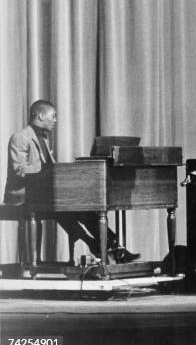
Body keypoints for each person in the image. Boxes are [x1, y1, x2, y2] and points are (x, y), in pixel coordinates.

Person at [4, 100, 139, 263]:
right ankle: (94, 244)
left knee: (84, 208)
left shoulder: (43, 138)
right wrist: (47, 169)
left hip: (42, 195)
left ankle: (112, 246)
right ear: (40, 116)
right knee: (64, 208)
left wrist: (59, 171)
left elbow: (48, 168)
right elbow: (19, 170)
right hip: (22, 196)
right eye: (53, 116)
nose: (55, 120)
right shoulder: (20, 137)